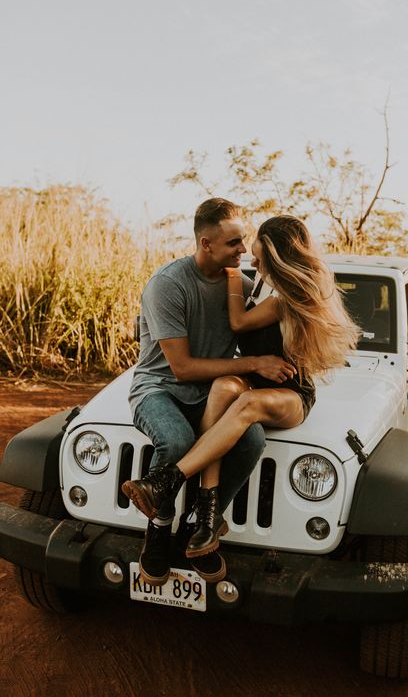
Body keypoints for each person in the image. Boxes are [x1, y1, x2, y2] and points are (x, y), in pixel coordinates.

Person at [125, 214, 359, 575]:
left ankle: (172, 485)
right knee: (223, 389)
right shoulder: (255, 285)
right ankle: (197, 524)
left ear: (277, 254)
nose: (248, 256)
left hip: (290, 392)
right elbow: (202, 358)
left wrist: (233, 278)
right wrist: (240, 284)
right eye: (238, 245)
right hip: (243, 381)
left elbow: (237, 324)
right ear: (207, 243)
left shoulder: (284, 295)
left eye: (255, 250)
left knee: (246, 412)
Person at [123, 199, 296, 586]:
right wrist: (254, 365)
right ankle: (159, 530)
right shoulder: (167, 285)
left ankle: (200, 530)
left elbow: (269, 325)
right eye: (235, 243)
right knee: (177, 439)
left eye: (244, 240)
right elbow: (181, 367)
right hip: (160, 387)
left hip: (212, 392)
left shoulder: (242, 285)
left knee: (251, 442)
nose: (243, 250)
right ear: (206, 244)